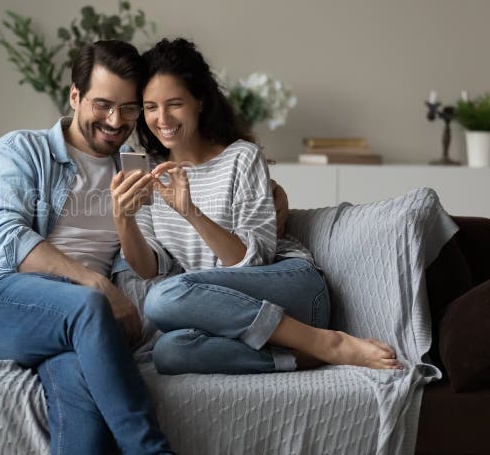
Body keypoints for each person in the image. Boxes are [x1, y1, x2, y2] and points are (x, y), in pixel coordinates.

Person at [0, 40, 172, 455]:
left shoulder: (132, 170)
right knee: (87, 306)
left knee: (84, 415)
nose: (115, 121)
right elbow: (3, 234)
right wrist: (92, 283)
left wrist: (126, 218)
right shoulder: (20, 150)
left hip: (73, 327)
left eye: (129, 108)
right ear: (75, 95)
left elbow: (146, 263)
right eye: (103, 104)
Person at [111, 38, 401, 376]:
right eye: (150, 107)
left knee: (163, 298)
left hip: (293, 290)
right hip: (229, 311)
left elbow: (251, 261)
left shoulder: (240, 157)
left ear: (200, 101)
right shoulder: (150, 175)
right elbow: (148, 268)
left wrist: (191, 212)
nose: (162, 118)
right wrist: (123, 217)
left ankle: (327, 342)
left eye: (174, 103)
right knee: (169, 352)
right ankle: (301, 356)